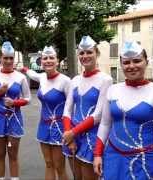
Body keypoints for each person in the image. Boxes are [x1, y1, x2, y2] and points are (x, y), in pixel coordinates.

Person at [93, 41, 153, 180]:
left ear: (146, 62)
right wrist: (97, 154)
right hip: (112, 157)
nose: (131, 66)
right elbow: (105, 124)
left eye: (137, 61)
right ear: (121, 64)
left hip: (144, 161)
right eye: (126, 62)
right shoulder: (113, 90)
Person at [62, 36, 113, 180]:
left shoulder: (106, 79)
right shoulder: (75, 80)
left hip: (92, 137)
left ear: (97, 53)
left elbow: (98, 115)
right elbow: (67, 110)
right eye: (82, 53)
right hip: (72, 135)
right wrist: (69, 136)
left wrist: (72, 132)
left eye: (89, 52)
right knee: (76, 177)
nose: (85, 56)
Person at [21, 46, 71, 180]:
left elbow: (71, 107)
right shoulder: (42, 77)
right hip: (43, 127)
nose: (48, 61)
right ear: (41, 61)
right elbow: (32, 74)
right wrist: (23, 69)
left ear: (57, 61)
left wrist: (71, 131)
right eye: (45, 58)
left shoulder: (66, 81)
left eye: (51, 58)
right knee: (48, 164)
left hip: (59, 129)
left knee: (59, 167)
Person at [0, 41, 31, 180]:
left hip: (15, 118)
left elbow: (28, 98)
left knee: (13, 155)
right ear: (0, 58)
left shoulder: (21, 77)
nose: (8, 61)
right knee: (0, 155)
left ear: (14, 59)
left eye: (11, 58)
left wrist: (15, 102)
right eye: (5, 58)